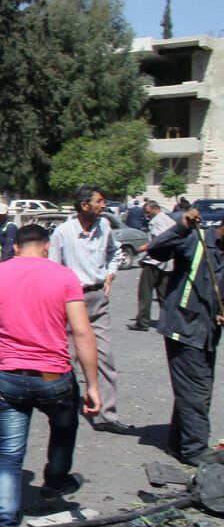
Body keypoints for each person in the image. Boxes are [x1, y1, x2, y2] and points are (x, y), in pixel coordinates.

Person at [0, 224, 102, 527]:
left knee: (9, 457)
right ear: (46, 246)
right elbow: (82, 333)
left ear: (16, 247)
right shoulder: (64, 276)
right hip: (53, 376)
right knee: (65, 427)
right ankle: (54, 480)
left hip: (9, 378)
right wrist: (93, 384)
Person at [48, 185, 132, 434]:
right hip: (72, 301)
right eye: (99, 201)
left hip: (97, 298)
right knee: (67, 358)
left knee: (104, 357)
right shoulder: (63, 233)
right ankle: (62, 407)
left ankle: (106, 414)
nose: (103, 205)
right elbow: (53, 270)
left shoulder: (104, 227)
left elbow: (115, 253)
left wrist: (110, 275)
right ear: (85, 205)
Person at [148, 209, 224, 466]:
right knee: (197, 390)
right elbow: (155, 249)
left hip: (207, 332)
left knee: (194, 388)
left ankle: (178, 442)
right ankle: (194, 450)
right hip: (184, 328)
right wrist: (181, 226)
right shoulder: (195, 237)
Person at [128, 200, 174, 332]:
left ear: (155, 208)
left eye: (148, 212)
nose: (147, 216)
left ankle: (143, 322)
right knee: (163, 294)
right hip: (166, 263)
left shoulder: (158, 221)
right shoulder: (168, 220)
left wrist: (144, 248)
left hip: (154, 261)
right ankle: (169, 321)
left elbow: (161, 239)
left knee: (145, 293)